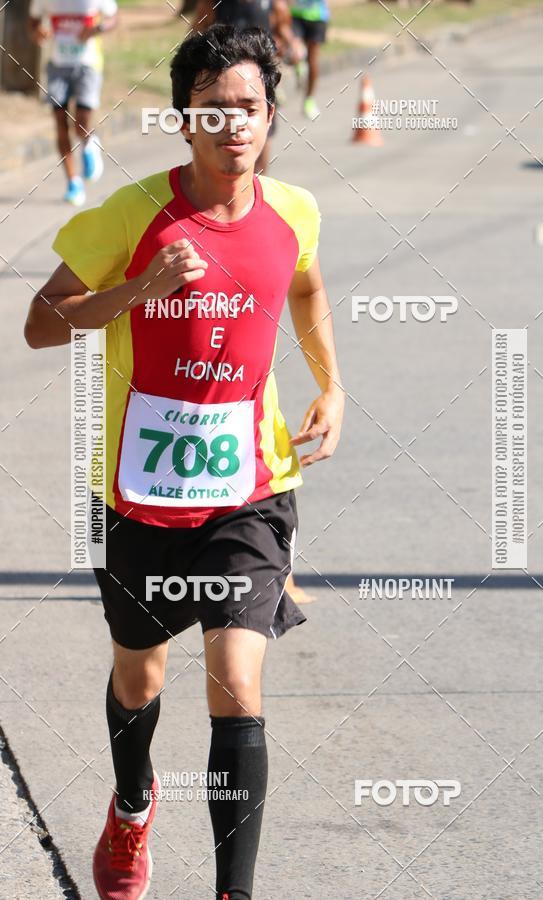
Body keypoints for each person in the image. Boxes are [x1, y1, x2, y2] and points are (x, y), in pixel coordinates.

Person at [24, 24, 344, 900]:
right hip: (140, 493)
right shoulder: (131, 216)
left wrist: (332, 384)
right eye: (213, 109)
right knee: (140, 676)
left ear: (270, 116)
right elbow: (42, 323)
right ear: (184, 119)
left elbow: (306, 284)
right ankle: (133, 805)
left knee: (236, 684)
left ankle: (233, 891)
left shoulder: (295, 211)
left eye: (249, 108)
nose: (233, 124)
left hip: (250, 490)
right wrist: (139, 290)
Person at [193, 0, 303, 174]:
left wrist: (291, 48)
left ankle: (255, 187)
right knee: (221, 148)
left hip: (259, 86)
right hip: (222, 87)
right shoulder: (212, 2)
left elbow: (284, 34)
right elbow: (196, 33)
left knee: (259, 145)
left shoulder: (273, 4)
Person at [28, 0, 117, 206]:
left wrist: (97, 28)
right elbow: (33, 22)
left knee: (81, 123)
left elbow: (114, 18)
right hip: (57, 66)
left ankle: (89, 143)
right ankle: (73, 183)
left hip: (88, 64)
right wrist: (37, 32)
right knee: (60, 123)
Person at [290, 0, 329, 120]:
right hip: (296, 14)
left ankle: (309, 100)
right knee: (295, 50)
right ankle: (299, 67)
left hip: (317, 16)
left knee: (312, 60)